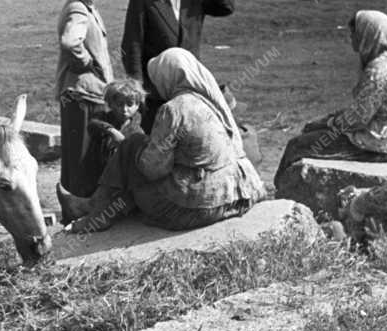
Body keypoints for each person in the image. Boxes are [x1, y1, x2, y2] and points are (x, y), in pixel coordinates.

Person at [58, 48, 267, 233]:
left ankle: (96, 213)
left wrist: (138, 147)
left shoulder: (174, 109)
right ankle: (94, 206)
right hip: (238, 197)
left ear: (168, 77)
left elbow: (153, 169)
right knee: (138, 149)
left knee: (132, 146)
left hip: (197, 208)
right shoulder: (213, 102)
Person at [121, 0, 235, 133]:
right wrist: (137, 88)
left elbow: (226, 8)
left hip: (189, 86)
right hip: (157, 88)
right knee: (157, 140)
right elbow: (132, 46)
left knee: (189, 137)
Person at [275, 11, 387, 181]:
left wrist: (328, 123)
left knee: (297, 145)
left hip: (373, 142)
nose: (351, 38)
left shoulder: (378, 69)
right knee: (313, 132)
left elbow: (359, 118)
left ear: (368, 34)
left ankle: (279, 196)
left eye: (354, 33)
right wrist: (330, 119)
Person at [56, 0, 114, 200]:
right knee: (81, 157)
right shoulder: (78, 9)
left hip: (88, 94)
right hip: (81, 95)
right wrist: (86, 62)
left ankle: (82, 205)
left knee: (87, 155)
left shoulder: (86, 6)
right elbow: (70, 42)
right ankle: (76, 208)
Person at [79, 78, 146, 199]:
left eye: (130, 104)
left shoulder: (137, 130)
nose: (124, 109)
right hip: (94, 172)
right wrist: (111, 130)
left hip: (117, 179)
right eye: (120, 104)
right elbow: (93, 124)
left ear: (137, 105)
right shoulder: (103, 118)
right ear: (110, 104)